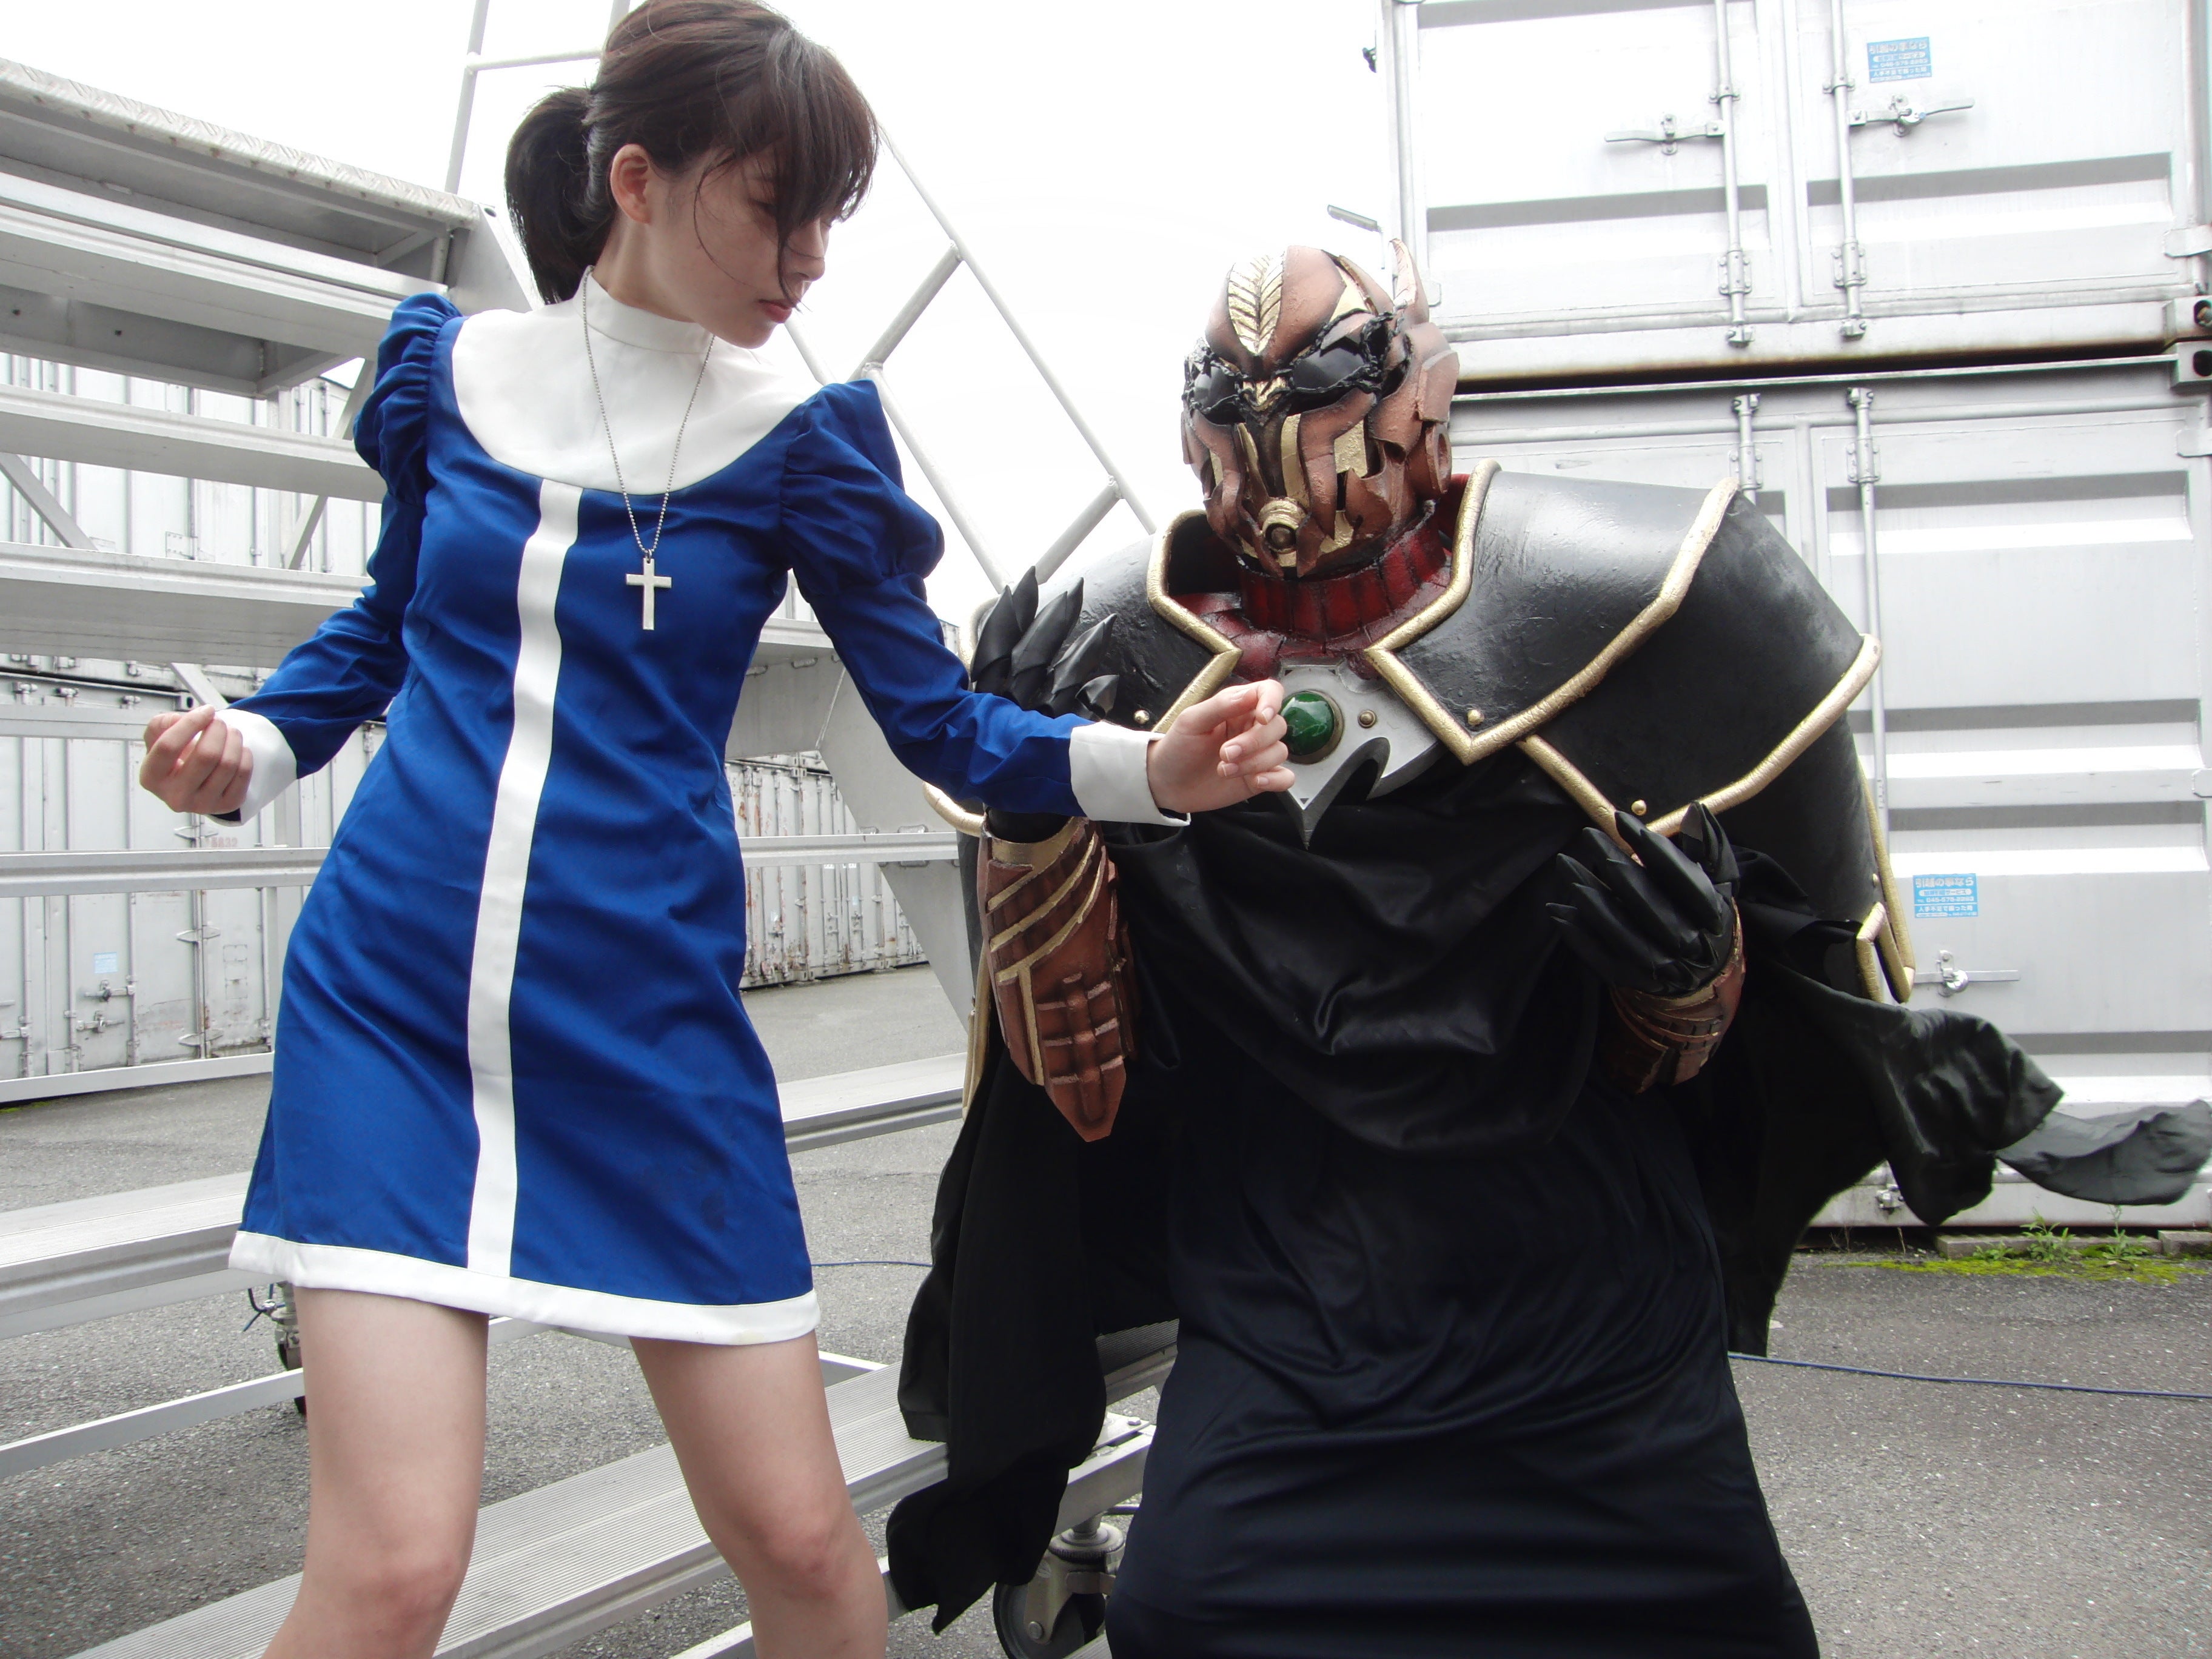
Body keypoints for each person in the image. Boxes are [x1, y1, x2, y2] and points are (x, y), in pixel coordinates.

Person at [134, 8, 1290, 1657]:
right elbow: (380, 629)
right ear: (636, 181)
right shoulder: (445, 373)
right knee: (392, 1570)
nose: (810, 259)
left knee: (809, 1554)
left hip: (646, 1028)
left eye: (831, 220)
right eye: (775, 209)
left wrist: (1147, 770)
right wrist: (247, 746)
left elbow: (943, 725)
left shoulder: (799, 441)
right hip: (390, 1008)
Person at [886, 244, 2212, 1657]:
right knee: (1193, 1613)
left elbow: (1721, 1040)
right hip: (1289, 1325)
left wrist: (1690, 976)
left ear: (1422, 408)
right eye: (1247, 451)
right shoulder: (1115, 661)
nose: (1288, 504)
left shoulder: (1643, 599)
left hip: (1591, 1330)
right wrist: (1038, 817)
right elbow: (1080, 1084)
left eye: (1328, 443)